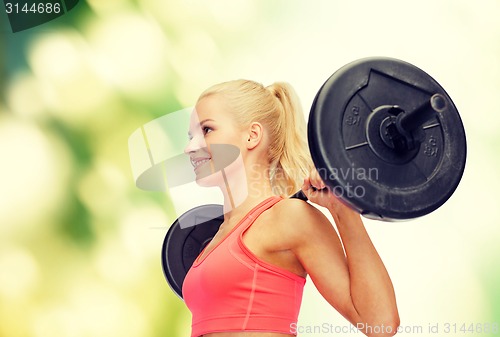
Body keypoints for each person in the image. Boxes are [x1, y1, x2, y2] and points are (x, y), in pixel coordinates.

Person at [182, 79, 400, 337]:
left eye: (207, 130)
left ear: (252, 135)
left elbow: (380, 322)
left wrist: (343, 210)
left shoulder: (290, 218)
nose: (190, 147)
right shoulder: (215, 238)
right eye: (190, 136)